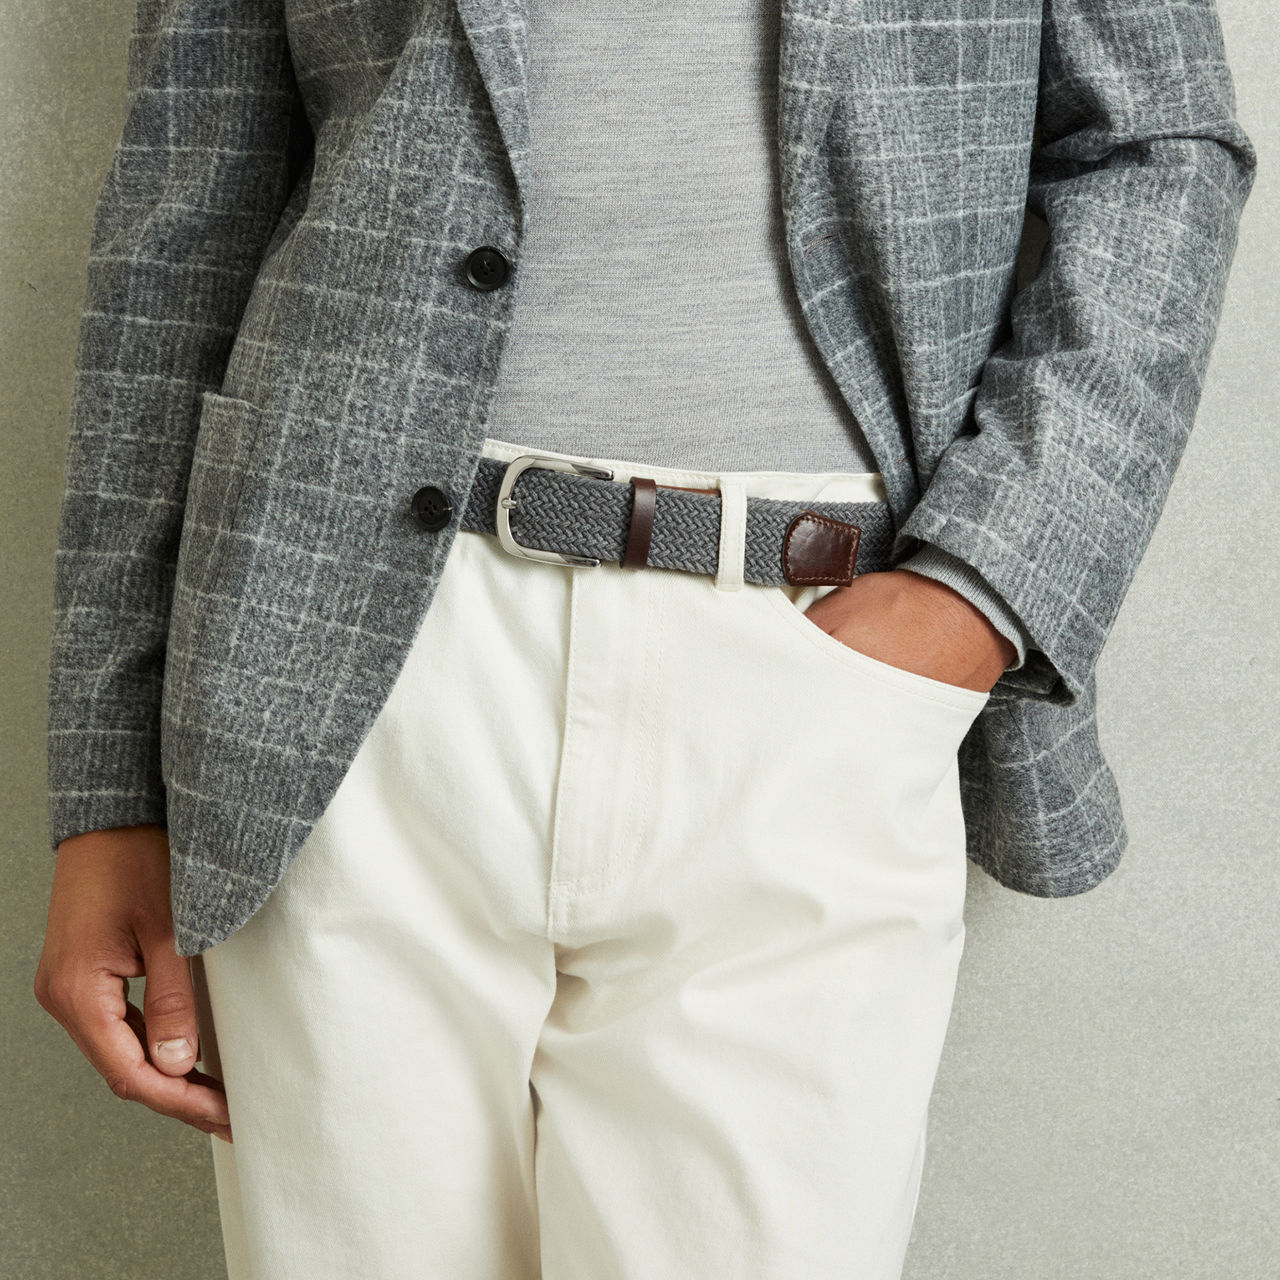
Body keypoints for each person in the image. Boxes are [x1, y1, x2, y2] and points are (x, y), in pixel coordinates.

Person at [34, 1, 1255, 1276]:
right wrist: (109, 791)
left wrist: (974, 592)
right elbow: (184, 216)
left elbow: (1155, 142)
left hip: (815, 670)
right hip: (343, 670)